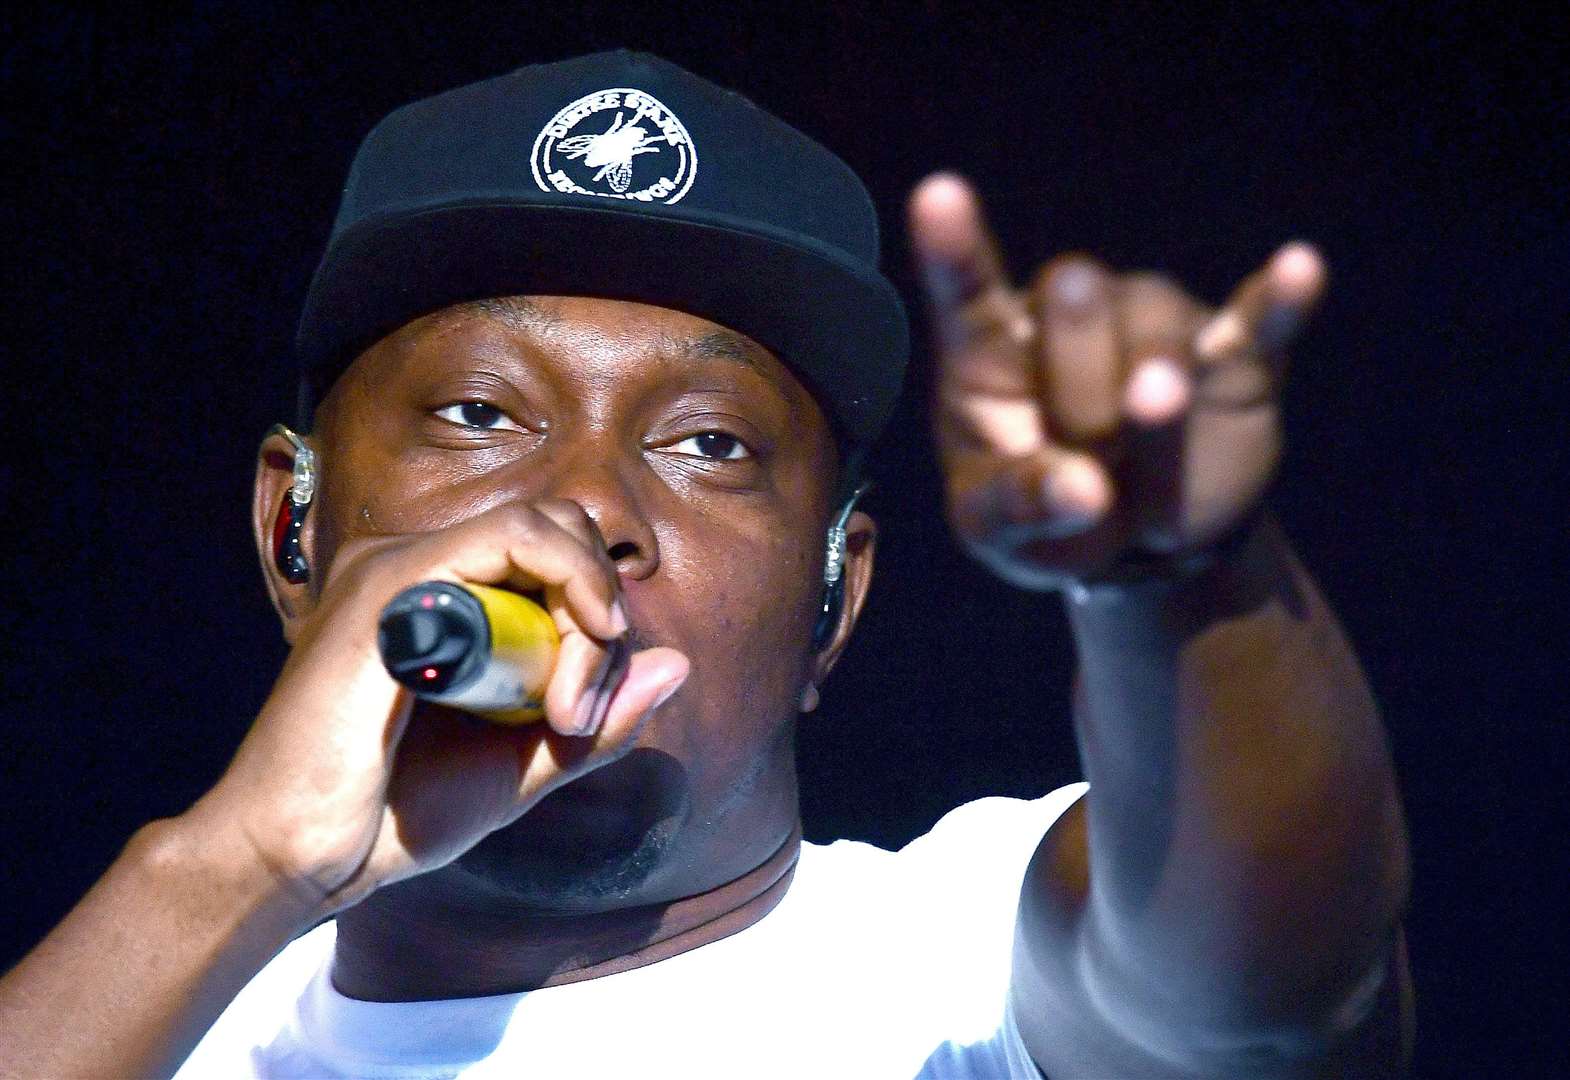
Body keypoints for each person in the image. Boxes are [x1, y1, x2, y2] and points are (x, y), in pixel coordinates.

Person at [0, 50, 1412, 1078]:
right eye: (481, 415)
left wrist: (1180, 580)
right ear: (291, 532)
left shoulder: (958, 976)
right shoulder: (145, 1026)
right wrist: (233, 866)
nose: (582, 505)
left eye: (708, 445)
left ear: (833, 602)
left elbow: (1262, 996)